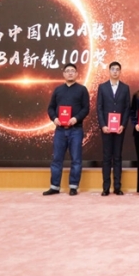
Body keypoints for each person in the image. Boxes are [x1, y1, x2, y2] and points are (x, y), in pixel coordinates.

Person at [43, 63, 90, 196]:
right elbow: (51, 108)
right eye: (67, 71)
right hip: (60, 130)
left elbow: (86, 108)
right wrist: (54, 118)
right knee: (57, 159)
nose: (70, 73)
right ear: (64, 74)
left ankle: (73, 186)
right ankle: (54, 186)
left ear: (76, 74)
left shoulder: (82, 90)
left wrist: (76, 118)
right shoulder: (58, 90)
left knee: (76, 159)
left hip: (76, 129)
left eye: (72, 71)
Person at [97, 61, 131, 196]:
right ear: (109, 71)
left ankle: (117, 187)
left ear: (120, 71)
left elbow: (127, 108)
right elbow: (99, 108)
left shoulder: (125, 88)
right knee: (106, 157)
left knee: (117, 157)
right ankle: (105, 187)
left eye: (117, 69)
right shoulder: (102, 87)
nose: (115, 71)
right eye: (113, 69)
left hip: (119, 129)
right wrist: (103, 125)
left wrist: (123, 125)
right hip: (106, 128)